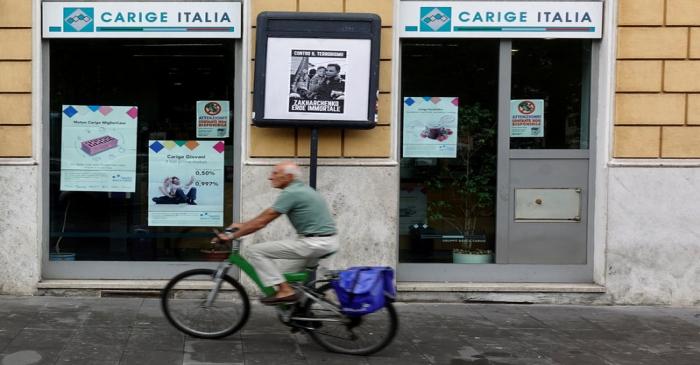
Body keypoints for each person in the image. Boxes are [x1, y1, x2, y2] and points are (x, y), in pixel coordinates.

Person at [215, 161, 338, 304]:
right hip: (323, 241)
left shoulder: (292, 193)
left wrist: (231, 235)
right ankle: (301, 314)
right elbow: (263, 217)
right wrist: (242, 226)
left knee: (255, 251)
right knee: (286, 276)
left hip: (314, 243)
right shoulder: (300, 189)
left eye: (275, 173)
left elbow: (262, 221)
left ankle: (285, 291)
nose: (270, 177)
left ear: (288, 177)